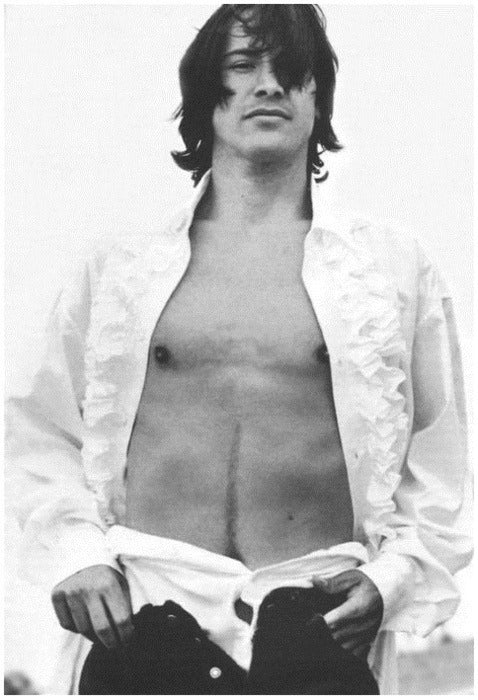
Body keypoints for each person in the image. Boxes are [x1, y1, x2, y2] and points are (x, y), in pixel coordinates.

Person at [7, 4, 472, 694]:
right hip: (144, 622)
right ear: (206, 95)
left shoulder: (390, 270)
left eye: (292, 71)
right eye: (243, 64)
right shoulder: (121, 269)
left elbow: (440, 457)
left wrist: (394, 578)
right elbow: (40, 429)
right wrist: (76, 551)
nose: (269, 85)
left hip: (316, 625)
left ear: (319, 99)